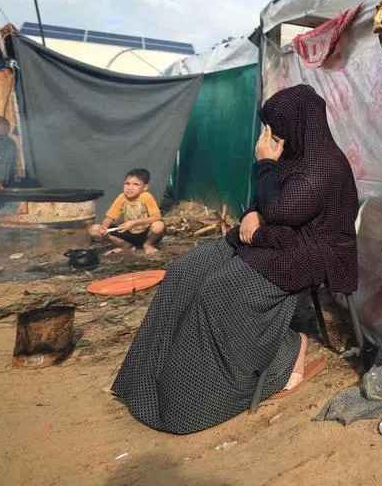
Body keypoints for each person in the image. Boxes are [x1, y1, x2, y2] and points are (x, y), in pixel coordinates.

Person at [112, 84, 360, 434]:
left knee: (215, 293)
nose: (270, 137)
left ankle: (285, 355)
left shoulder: (323, 167)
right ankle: (148, 380)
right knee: (184, 272)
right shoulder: (294, 155)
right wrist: (253, 212)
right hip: (273, 236)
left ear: (299, 125)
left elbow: (282, 208)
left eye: (276, 129)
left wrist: (264, 168)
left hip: (309, 251)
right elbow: (267, 202)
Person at [91, 168, 165, 254]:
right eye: (127, 183)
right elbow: (109, 218)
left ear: (145, 187)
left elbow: (157, 217)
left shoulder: (146, 196)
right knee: (94, 229)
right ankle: (126, 245)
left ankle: (148, 244)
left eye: (136, 184)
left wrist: (134, 223)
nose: (130, 188)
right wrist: (104, 228)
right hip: (127, 233)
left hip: (145, 234)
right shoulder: (122, 197)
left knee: (158, 226)